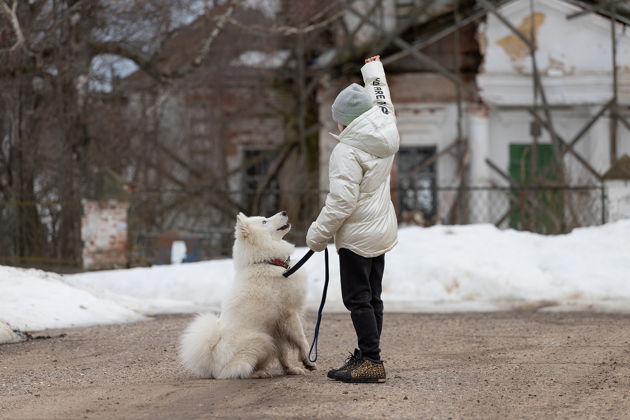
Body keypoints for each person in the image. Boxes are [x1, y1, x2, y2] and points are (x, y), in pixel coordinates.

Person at [306, 55, 399, 384]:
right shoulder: (385, 126)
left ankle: (371, 361)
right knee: (373, 296)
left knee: (357, 298)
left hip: (358, 237)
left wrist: (317, 236)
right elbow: (382, 96)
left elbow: (341, 202)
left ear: (345, 122)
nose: (337, 128)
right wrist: (373, 70)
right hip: (381, 229)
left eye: (338, 122)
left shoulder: (346, 151)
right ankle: (368, 354)